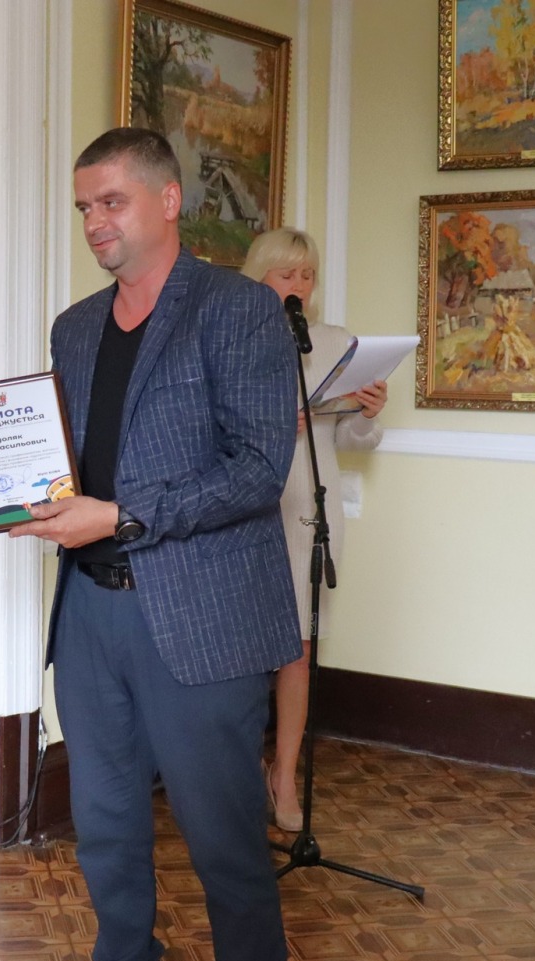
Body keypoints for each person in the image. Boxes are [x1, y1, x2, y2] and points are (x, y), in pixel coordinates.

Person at [13, 127, 301, 961]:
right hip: (91, 613)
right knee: (105, 829)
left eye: (112, 202)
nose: (95, 223)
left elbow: (256, 471)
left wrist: (123, 514)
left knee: (223, 843)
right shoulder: (73, 328)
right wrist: (9, 458)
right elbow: (71, 465)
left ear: (168, 199)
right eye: (84, 207)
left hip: (200, 620)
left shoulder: (238, 311)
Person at [240, 228, 386, 831]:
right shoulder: (233, 340)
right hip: (249, 511)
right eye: (286, 274)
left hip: (311, 510)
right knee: (244, 649)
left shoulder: (333, 342)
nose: (299, 285)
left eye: (307, 274)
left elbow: (354, 440)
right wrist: (274, 424)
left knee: (297, 649)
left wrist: (368, 413)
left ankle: (284, 775)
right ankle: (237, 771)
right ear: (259, 279)